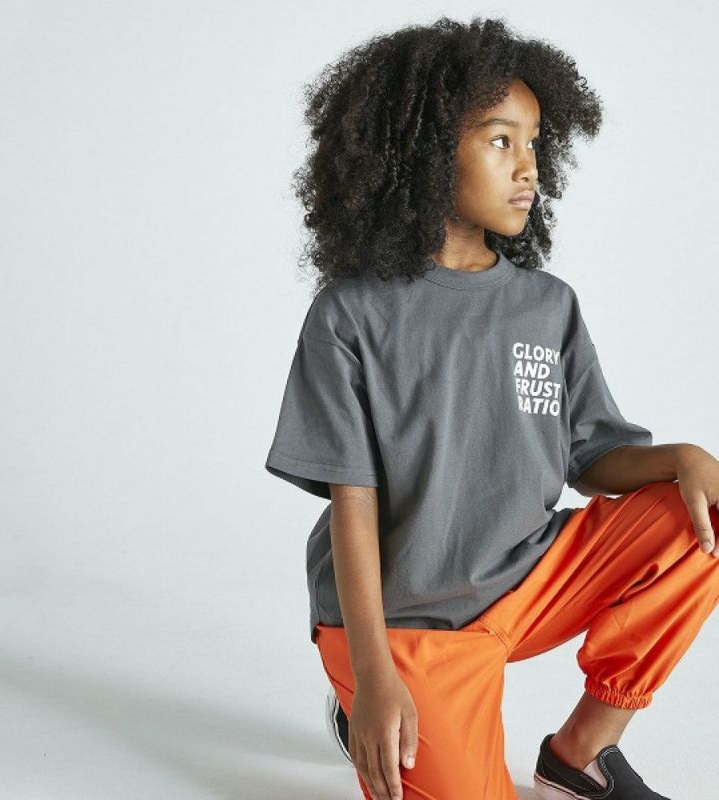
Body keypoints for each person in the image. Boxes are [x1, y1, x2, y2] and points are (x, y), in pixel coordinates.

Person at [264, 16, 719, 800]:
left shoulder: (547, 305)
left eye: (535, 142)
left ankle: (580, 756)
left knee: (706, 513)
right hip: (405, 619)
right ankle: (365, 700)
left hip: (529, 578)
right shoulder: (351, 315)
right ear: (427, 151)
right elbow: (353, 505)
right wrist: (375, 677)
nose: (527, 167)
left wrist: (682, 459)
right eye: (500, 141)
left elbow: (592, 456)